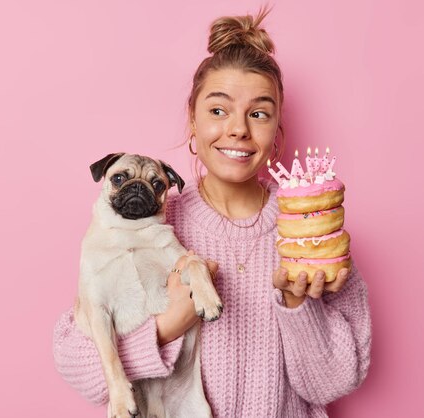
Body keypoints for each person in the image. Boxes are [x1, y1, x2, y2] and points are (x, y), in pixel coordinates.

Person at [53, 8, 371, 417]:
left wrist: (297, 304)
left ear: (277, 130)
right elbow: (77, 366)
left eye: (258, 113)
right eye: (218, 110)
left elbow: (335, 382)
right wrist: (166, 328)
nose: (238, 128)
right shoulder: (153, 227)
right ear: (193, 119)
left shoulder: (309, 231)